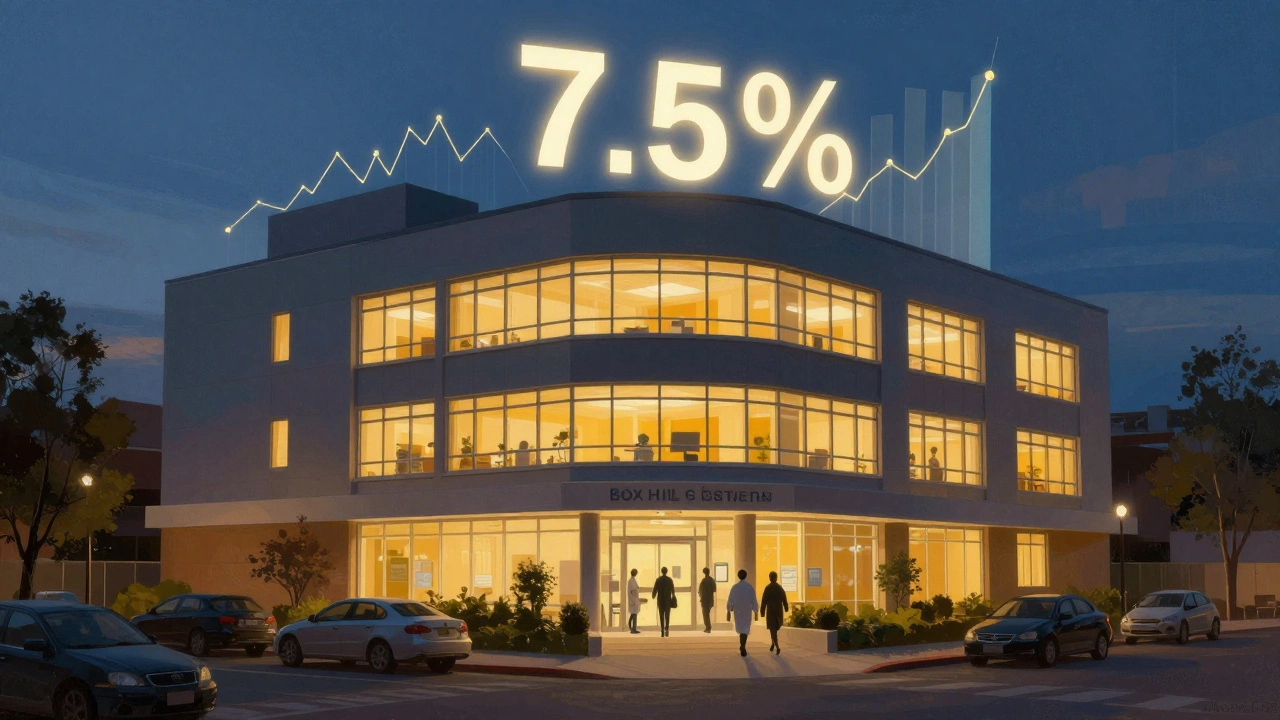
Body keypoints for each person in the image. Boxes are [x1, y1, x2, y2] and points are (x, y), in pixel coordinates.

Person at [725, 569, 758, 657]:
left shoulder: (735, 587)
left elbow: (730, 599)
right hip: (747, 610)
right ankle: (743, 646)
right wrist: (756, 610)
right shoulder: (749, 587)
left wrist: (729, 609)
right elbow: (754, 600)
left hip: (738, 610)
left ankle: (742, 646)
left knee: (740, 628)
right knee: (745, 628)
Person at [760, 571, 789, 654]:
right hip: (777, 611)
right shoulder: (779, 588)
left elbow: (764, 600)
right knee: (774, 629)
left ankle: (773, 643)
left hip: (772, 611)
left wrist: (762, 611)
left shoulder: (770, 588)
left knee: (773, 629)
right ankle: (776, 645)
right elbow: (784, 599)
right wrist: (786, 607)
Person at [652, 566, 676, 637]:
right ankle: (667, 629)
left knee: (661, 615)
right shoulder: (669, 580)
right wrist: (673, 596)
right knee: (667, 615)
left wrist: (653, 595)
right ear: (666, 571)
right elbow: (673, 590)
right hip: (667, 600)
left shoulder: (658, 580)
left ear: (661, 571)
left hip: (660, 600)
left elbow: (655, 589)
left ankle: (662, 630)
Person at [698, 567, 717, 633]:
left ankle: (708, 627)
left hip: (704, 599)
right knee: (707, 613)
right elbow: (714, 589)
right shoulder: (712, 580)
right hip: (710, 599)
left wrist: (701, 596)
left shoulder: (704, 580)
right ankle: (708, 627)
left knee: (705, 614)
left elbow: (700, 590)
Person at [627, 568, 642, 633]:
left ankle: (633, 628)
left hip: (634, 599)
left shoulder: (632, 580)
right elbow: (633, 590)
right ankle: (633, 629)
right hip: (633, 599)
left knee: (633, 614)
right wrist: (637, 589)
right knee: (633, 614)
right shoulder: (631, 581)